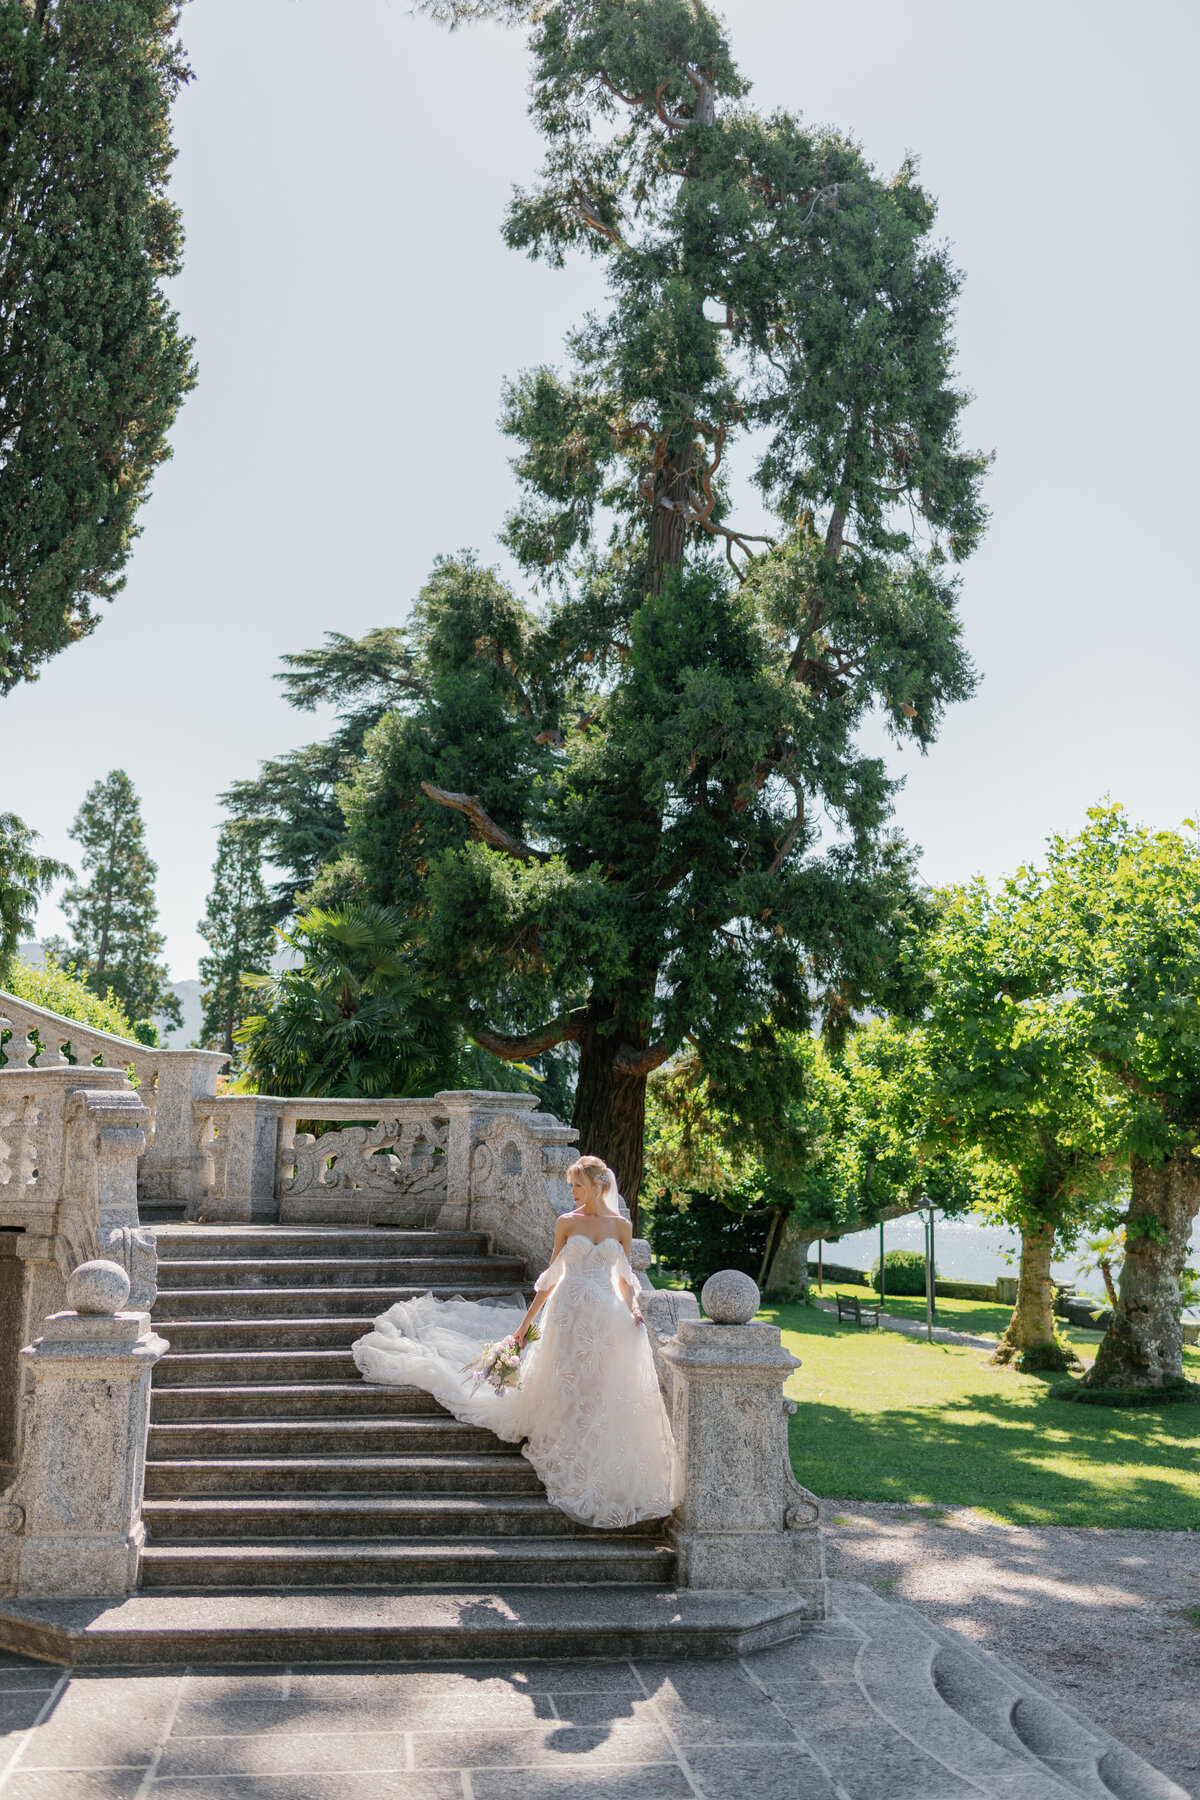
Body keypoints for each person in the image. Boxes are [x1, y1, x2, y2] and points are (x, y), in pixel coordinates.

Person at [352, 1154, 678, 1528]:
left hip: (605, 1317)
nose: (570, 1192)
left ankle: (593, 1454)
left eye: (575, 1185)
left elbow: (623, 1278)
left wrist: (634, 1307)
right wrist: (524, 1327)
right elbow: (552, 1277)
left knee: (599, 1385)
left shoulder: (621, 1226)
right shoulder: (566, 1223)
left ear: (594, 1186)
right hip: (567, 1315)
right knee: (567, 1379)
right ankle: (563, 1442)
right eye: (570, 1185)